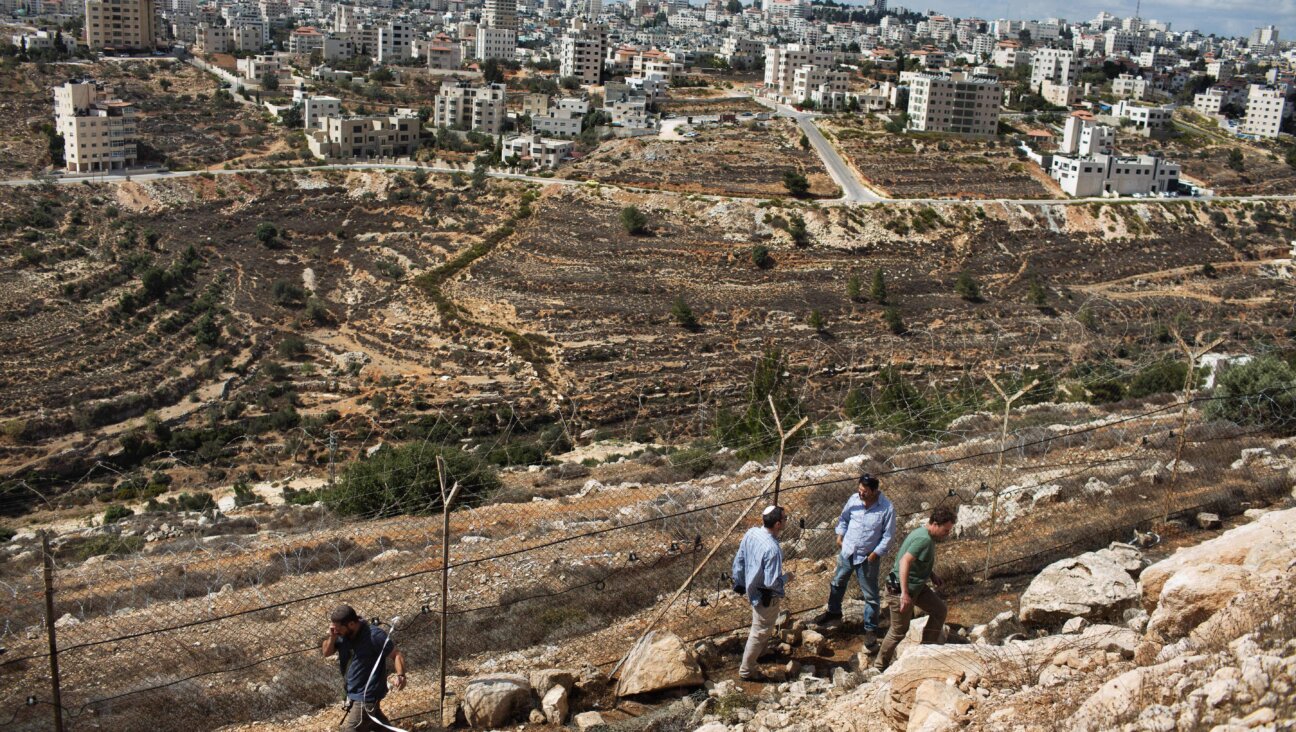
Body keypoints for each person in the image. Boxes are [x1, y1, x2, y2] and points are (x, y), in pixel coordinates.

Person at [813, 473, 896, 648]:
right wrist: (839, 535)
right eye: (859, 490)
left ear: (874, 491)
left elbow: (888, 536)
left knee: (871, 595)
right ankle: (834, 612)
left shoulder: (886, 508)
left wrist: (875, 553)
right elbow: (844, 519)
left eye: (865, 491)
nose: (861, 494)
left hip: (868, 558)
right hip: (848, 551)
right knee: (837, 582)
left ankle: (870, 630)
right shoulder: (853, 500)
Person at [872, 507, 955, 671]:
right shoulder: (923, 540)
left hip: (916, 586)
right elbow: (905, 562)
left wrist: (931, 575)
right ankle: (879, 666)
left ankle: (926, 649)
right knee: (899, 630)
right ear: (935, 524)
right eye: (945, 530)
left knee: (939, 610)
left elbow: (918, 561)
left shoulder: (923, 534)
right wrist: (904, 594)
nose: (947, 534)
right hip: (901, 589)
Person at [731, 505, 795, 681]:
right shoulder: (772, 549)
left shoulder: (752, 533)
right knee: (759, 632)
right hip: (765, 596)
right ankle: (747, 670)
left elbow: (739, 559)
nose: (786, 521)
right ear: (777, 524)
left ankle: (760, 652)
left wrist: (739, 582)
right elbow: (771, 582)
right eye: (785, 519)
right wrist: (787, 578)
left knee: (761, 627)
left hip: (752, 590)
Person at [323, 604, 407, 731]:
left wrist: (400, 675)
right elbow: (326, 653)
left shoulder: (374, 635)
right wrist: (332, 637)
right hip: (353, 692)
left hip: (366, 695)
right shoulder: (340, 635)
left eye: (338, 628)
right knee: (377, 724)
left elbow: (396, 654)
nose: (336, 630)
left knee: (352, 729)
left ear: (351, 624)